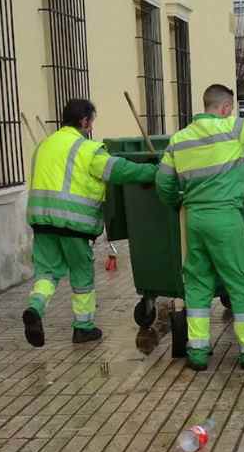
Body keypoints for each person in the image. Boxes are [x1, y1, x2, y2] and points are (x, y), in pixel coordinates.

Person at [156, 80, 244, 371]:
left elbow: (163, 182)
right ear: (226, 108)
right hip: (225, 218)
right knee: (241, 280)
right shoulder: (233, 129)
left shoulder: (179, 139)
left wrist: (176, 203)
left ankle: (198, 352)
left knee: (198, 282)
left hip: (193, 219)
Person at [22, 99, 157, 347]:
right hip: (73, 224)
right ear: (84, 121)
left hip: (41, 222)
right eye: (91, 122)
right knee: (81, 276)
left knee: (47, 273)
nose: (91, 127)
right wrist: (153, 172)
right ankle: (83, 327)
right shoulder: (86, 149)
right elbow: (119, 170)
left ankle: (35, 308)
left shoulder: (43, 145)